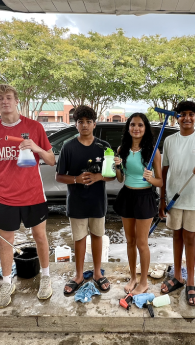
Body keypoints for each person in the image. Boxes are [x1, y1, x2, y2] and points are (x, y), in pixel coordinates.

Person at [0, 84, 55, 308]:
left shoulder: (34, 127)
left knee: (40, 237)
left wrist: (36, 147)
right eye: (0, 98)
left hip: (33, 194)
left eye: (8, 97)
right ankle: (7, 282)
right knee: (6, 242)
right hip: (4, 198)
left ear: (16, 100)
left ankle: (45, 277)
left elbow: (51, 159)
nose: (4, 101)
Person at [159, 101, 195, 306]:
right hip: (174, 196)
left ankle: (191, 281)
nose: (187, 118)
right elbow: (164, 171)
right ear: (177, 117)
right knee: (176, 236)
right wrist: (162, 198)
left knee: (190, 238)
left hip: (193, 198)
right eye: (183, 114)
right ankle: (178, 277)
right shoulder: (170, 140)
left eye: (191, 114)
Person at [56, 105, 114, 294]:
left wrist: (98, 177)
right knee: (79, 238)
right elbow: (59, 176)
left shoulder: (104, 147)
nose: (85, 125)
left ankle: (97, 273)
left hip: (97, 202)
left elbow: (112, 175)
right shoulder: (68, 147)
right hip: (77, 202)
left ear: (95, 124)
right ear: (76, 125)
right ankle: (79, 274)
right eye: (81, 122)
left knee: (97, 236)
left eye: (88, 121)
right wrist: (76, 179)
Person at [113, 113, 162, 295]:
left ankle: (144, 282)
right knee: (130, 241)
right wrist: (117, 166)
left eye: (140, 125)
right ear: (128, 128)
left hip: (144, 197)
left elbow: (160, 182)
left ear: (145, 128)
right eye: (133, 125)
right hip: (127, 195)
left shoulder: (152, 151)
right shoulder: (122, 149)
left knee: (142, 242)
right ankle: (133, 276)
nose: (136, 128)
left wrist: (152, 178)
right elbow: (119, 179)